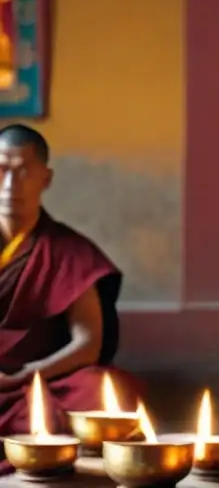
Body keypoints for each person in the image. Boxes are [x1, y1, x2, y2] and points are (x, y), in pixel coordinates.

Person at [0, 125, 139, 470]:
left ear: (45, 179)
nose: (10, 185)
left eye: (24, 171)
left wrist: (28, 374)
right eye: (1, 169)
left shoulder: (69, 251)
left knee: (106, 389)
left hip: (36, 380)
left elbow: (89, 343)